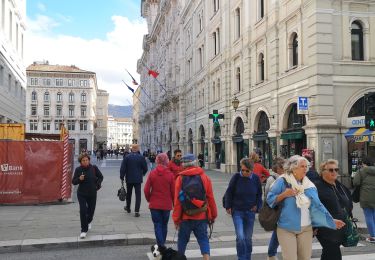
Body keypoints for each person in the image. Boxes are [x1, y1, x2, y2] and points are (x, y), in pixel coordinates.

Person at [267, 155, 345, 260]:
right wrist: (284, 194)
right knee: (290, 258)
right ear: (293, 168)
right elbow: (270, 200)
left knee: (304, 258)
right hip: (286, 228)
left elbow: (318, 206)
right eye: (302, 166)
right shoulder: (282, 181)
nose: (305, 169)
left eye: (306, 166)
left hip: (306, 229)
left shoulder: (309, 185)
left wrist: (330, 220)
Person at [172, 153, 217, 260]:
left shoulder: (180, 179)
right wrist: (213, 215)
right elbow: (210, 198)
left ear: (184, 164)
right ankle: (206, 258)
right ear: (195, 163)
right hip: (201, 215)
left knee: (182, 240)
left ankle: (179, 258)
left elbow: (178, 201)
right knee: (203, 239)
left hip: (185, 216)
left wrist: (176, 219)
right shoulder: (204, 177)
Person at [224, 158, 262, 260]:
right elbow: (229, 192)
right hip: (237, 211)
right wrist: (228, 206)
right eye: (242, 170)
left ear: (251, 170)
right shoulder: (236, 177)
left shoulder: (256, 179)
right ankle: (241, 258)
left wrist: (257, 206)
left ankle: (247, 257)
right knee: (240, 237)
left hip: (250, 212)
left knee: (248, 238)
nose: (244, 172)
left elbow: (259, 194)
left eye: (247, 171)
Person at [314, 159, 353, 260]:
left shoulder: (339, 185)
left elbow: (348, 201)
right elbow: (312, 207)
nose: (335, 172)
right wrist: (314, 226)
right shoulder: (317, 187)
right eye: (331, 170)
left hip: (340, 227)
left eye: (336, 169)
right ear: (323, 171)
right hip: (325, 228)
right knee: (334, 253)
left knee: (328, 253)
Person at [144, 153, 175, 247]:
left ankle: (161, 245)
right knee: (164, 225)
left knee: (157, 224)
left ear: (157, 161)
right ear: (166, 161)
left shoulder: (152, 173)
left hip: (154, 204)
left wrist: (149, 199)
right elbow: (173, 191)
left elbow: (146, 189)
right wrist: (174, 202)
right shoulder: (170, 174)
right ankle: (162, 244)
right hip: (166, 204)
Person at [72, 153, 103, 239]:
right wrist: (79, 179)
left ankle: (89, 221)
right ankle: (83, 230)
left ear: (89, 160)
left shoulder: (94, 168)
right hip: (82, 194)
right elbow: (73, 181)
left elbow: (101, 177)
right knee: (83, 211)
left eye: (87, 160)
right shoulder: (78, 170)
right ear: (80, 162)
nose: (85, 162)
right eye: (83, 161)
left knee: (91, 212)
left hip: (92, 193)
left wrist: (97, 184)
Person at [264, 157, 285, 260]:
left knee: (278, 231)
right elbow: (268, 195)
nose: (285, 169)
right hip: (276, 210)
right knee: (278, 231)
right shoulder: (272, 179)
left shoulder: (287, 178)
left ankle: (271, 253)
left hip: (283, 209)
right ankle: (271, 253)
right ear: (278, 168)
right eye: (283, 167)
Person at [120, 144, 148, 217]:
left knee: (129, 194)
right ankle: (136, 211)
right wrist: (142, 174)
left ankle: (128, 208)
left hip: (129, 178)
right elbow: (145, 168)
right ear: (138, 149)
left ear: (131, 149)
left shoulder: (127, 157)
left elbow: (123, 168)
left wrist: (122, 176)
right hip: (138, 179)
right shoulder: (141, 158)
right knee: (138, 195)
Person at [353, 156, 375, 243]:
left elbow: (356, 182)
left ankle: (373, 236)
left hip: (366, 197)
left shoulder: (361, 171)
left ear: (363, 163)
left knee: (369, 216)